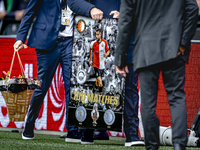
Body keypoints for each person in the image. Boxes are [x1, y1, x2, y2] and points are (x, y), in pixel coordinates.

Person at [114, 0, 199, 150]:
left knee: (148, 103)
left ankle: (152, 146)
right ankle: (179, 145)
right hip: (174, 47)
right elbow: (193, 9)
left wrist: (120, 58)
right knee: (176, 97)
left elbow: (125, 20)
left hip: (146, 48)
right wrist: (183, 41)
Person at [13, 0, 102, 140]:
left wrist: (92, 9)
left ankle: (72, 130)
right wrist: (20, 38)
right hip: (47, 41)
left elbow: (82, 5)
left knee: (71, 87)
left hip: (71, 42)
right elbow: (29, 12)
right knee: (41, 87)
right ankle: (29, 125)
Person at [68, 0, 144, 146]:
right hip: (94, 36)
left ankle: (132, 134)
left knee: (130, 88)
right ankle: (88, 131)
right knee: (94, 86)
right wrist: (91, 9)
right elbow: (73, 1)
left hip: (129, 40)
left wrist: (128, 15)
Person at [89, 28, 110, 93]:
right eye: (96, 34)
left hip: (102, 66)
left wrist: (106, 55)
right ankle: (101, 99)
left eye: (98, 35)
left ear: (100, 35)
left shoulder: (104, 42)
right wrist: (91, 60)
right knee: (100, 83)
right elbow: (90, 49)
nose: (96, 36)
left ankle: (93, 91)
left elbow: (108, 51)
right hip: (96, 65)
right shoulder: (93, 43)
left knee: (97, 82)